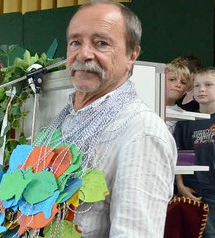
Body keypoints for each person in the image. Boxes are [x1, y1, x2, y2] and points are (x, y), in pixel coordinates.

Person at [36, 1, 175, 236]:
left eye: (101, 43)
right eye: (75, 42)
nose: (84, 53)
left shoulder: (142, 132)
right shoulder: (65, 119)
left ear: (132, 54)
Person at [174, 68, 215, 236]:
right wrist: (181, 186)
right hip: (197, 192)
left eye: (208, 85)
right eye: (196, 86)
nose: (201, 89)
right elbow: (178, 156)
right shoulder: (186, 121)